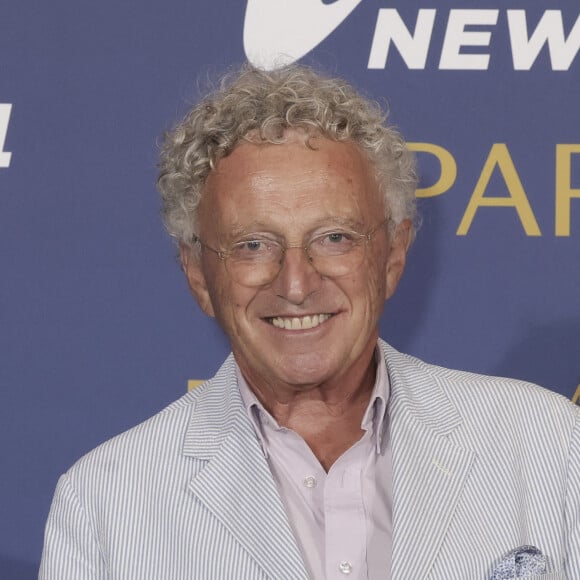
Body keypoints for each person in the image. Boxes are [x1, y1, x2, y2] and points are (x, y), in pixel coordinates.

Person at [40, 65, 579, 580]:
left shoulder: (547, 443)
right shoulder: (105, 504)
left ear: (393, 254)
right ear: (198, 274)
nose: (296, 284)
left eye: (335, 238)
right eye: (253, 245)